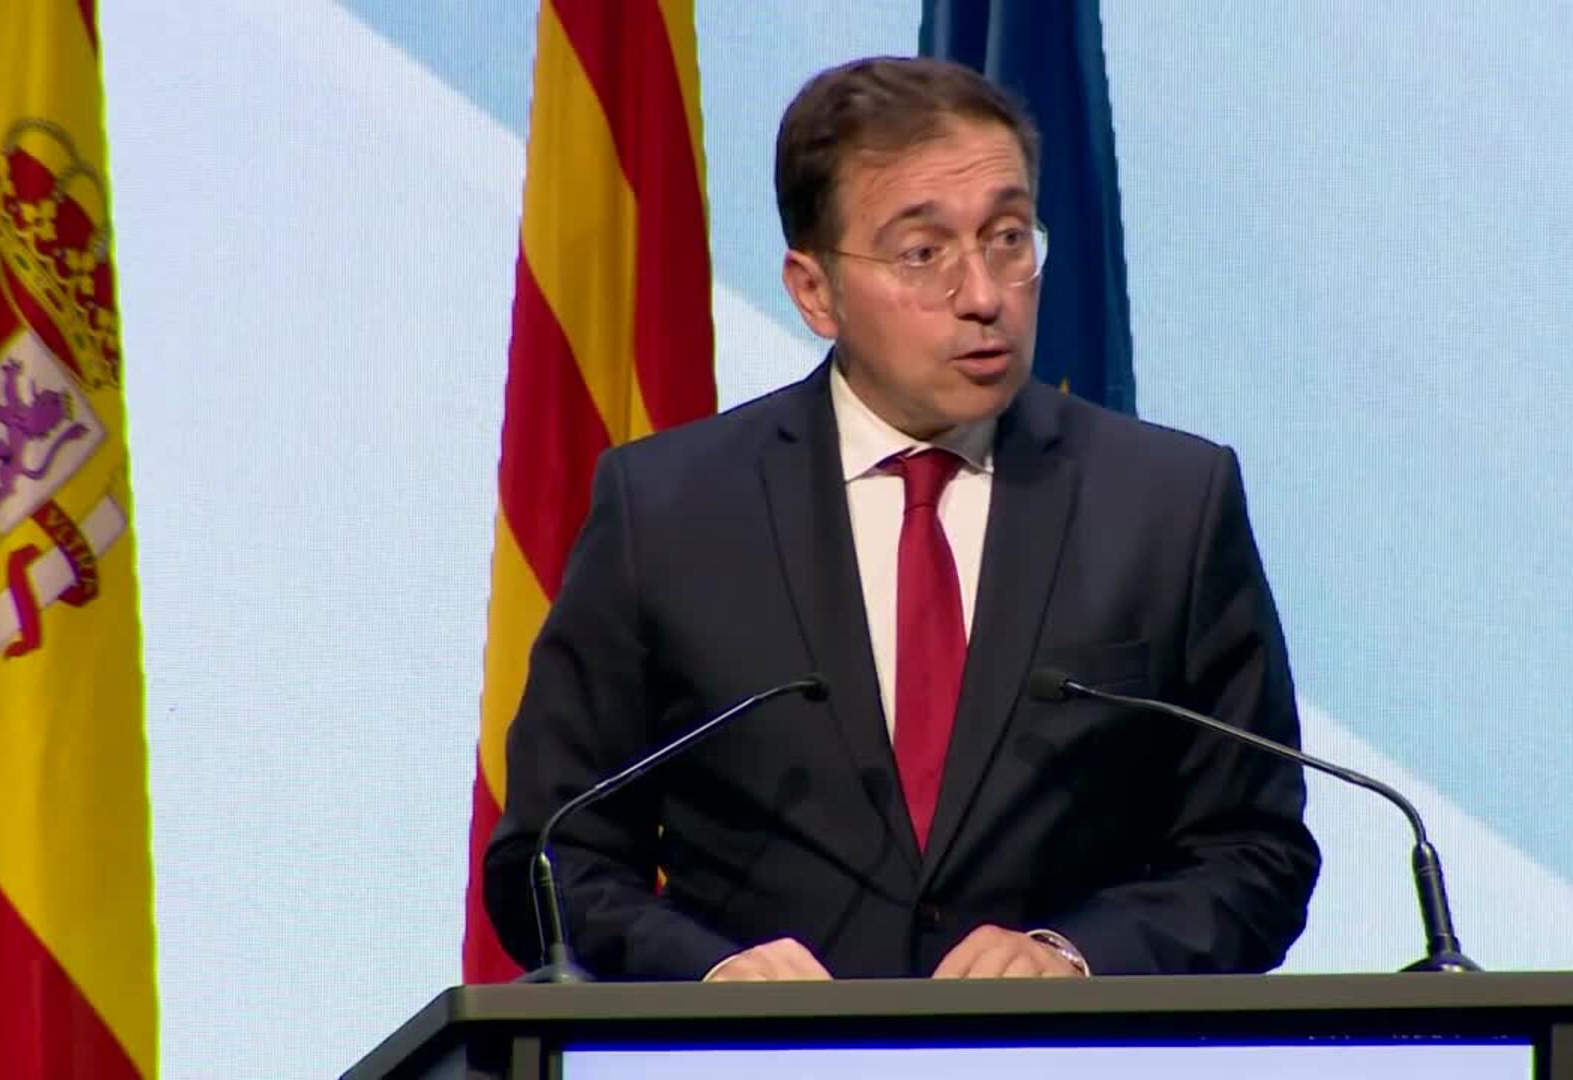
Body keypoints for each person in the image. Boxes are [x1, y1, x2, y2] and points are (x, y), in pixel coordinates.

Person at [484, 55, 1318, 982]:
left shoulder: (1168, 503)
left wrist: (1076, 961)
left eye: (1009, 238)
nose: (984, 296)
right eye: (923, 254)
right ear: (815, 291)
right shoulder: (670, 510)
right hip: (759, 1054)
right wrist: (707, 980)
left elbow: (1256, 852)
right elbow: (550, 859)